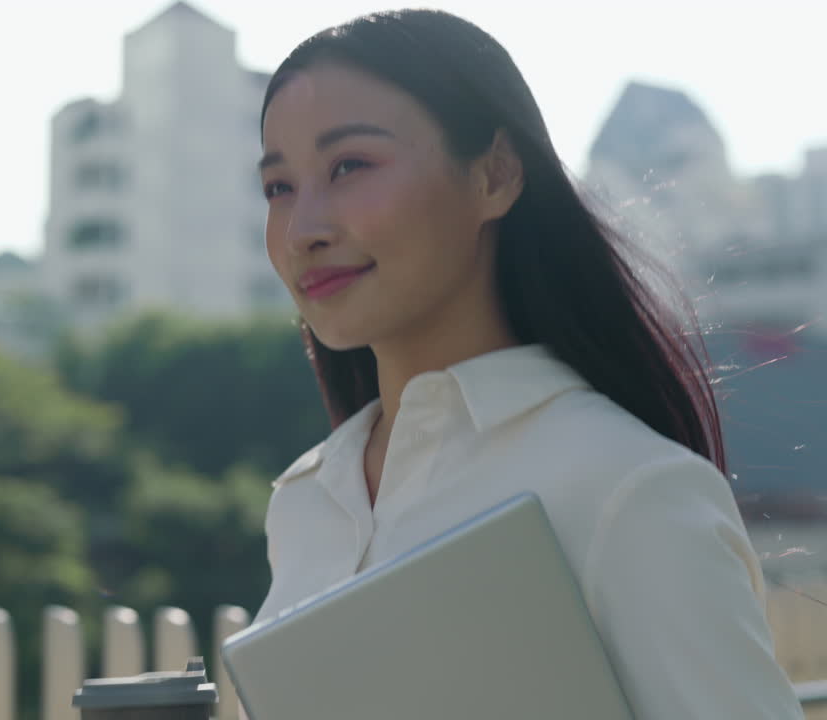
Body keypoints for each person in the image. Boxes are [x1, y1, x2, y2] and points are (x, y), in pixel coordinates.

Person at [252, 9, 804, 718]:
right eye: (278, 187)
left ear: (497, 174)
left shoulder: (627, 489)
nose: (304, 229)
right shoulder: (306, 501)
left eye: (350, 165)